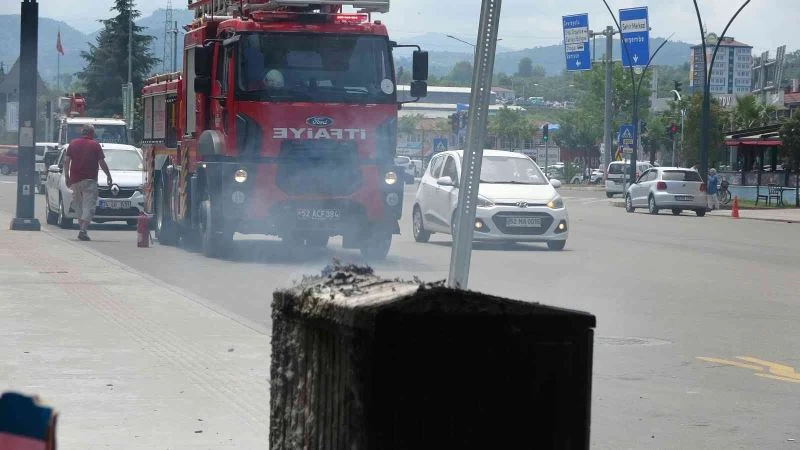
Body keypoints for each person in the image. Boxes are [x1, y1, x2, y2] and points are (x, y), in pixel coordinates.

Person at [63, 124, 112, 241]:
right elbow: (101, 162)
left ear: (82, 132)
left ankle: (82, 229)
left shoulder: (73, 144)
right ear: (92, 133)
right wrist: (108, 175)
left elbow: (66, 161)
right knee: (89, 205)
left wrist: (67, 176)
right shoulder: (95, 145)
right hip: (90, 180)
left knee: (78, 205)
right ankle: (83, 230)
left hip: (75, 180)